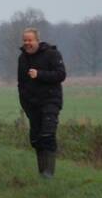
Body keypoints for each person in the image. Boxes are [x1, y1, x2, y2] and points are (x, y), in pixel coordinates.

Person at [17, 27, 66, 178]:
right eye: (25, 40)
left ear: (37, 40)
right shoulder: (22, 58)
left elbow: (61, 75)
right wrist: (25, 105)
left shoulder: (52, 54)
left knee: (47, 134)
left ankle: (48, 174)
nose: (27, 43)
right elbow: (21, 84)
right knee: (36, 139)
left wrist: (39, 74)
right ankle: (42, 173)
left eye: (30, 40)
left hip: (50, 101)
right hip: (32, 105)